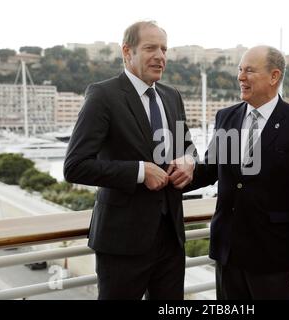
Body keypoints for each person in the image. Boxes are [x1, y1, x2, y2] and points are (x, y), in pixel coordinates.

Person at [64, 21, 195, 300]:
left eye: (164, 49)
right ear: (127, 51)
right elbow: (75, 166)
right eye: (150, 48)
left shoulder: (172, 96)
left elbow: (188, 147)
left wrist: (189, 161)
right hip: (122, 242)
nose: (160, 56)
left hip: (171, 238)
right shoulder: (103, 95)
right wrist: (139, 171)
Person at [187, 46, 289, 300]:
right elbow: (208, 170)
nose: (241, 77)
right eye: (240, 70)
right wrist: (164, 175)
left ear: (274, 76)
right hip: (228, 253)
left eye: (249, 70)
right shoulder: (225, 117)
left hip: (275, 258)